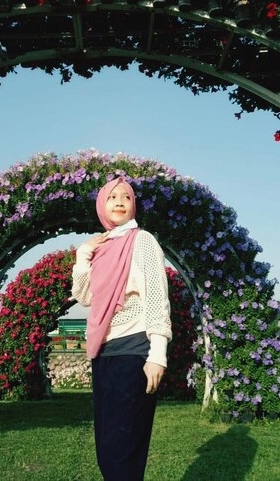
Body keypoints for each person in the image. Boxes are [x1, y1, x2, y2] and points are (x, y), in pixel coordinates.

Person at [71, 176, 172, 481]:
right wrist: (83, 255)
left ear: (133, 205)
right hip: (104, 353)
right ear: (102, 204)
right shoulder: (102, 247)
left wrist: (157, 355)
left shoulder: (142, 241)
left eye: (125, 197)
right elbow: (85, 296)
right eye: (112, 197)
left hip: (134, 352)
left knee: (121, 450)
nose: (118, 202)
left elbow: (156, 296)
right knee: (107, 449)